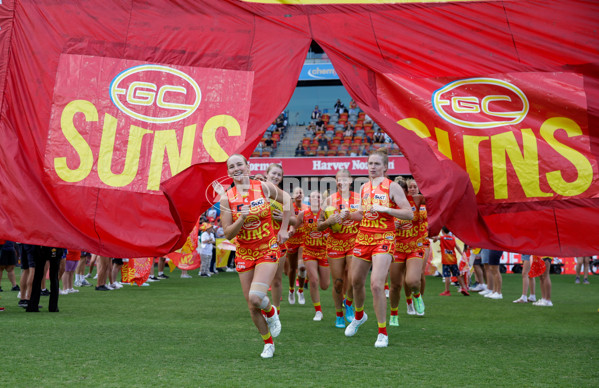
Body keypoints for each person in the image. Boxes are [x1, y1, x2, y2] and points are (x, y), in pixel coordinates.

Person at [220, 154, 291, 358]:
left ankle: (271, 312)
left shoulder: (263, 187)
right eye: (232, 166)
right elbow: (228, 233)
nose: (236, 168)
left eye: (239, 164)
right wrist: (241, 218)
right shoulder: (227, 198)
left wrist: (284, 228)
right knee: (252, 306)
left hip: (267, 247)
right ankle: (268, 343)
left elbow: (286, 199)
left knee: (256, 296)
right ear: (228, 172)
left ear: (248, 167)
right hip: (244, 252)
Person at [345, 148, 415, 348]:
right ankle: (359, 316)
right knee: (355, 281)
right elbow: (362, 214)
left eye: (377, 164)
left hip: (384, 237)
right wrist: (348, 214)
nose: (373, 167)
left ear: (385, 167)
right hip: (363, 237)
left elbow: (409, 214)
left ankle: (382, 332)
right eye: (370, 164)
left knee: (376, 284)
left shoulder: (392, 187)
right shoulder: (364, 187)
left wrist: (387, 209)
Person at [318, 169, 360, 328]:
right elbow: (319, 226)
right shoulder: (329, 200)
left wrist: (350, 215)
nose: (341, 182)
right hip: (335, 244)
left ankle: (348, 302)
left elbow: (365, 217)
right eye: (338, 179)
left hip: (354, 242)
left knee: (353, 276)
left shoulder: (359, 198)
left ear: (350, 180)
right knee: (337, 282)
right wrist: (329, 222)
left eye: (344, 179)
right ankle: (339, 315)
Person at [389, 177, 426, 325]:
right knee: (395, 285)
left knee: (412, 280)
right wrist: (393, 226)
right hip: (396, 247)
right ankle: (393, 314)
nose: (402, 191)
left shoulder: (415, 200)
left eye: (403, 188)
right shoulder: (389, 204)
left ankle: (416, 295)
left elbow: (434, 197)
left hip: (415, 246)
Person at [265, 163, 296, 315]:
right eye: (274, 173)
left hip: (278, 243)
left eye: (279, 175)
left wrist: (285, 219)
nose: (276, 177)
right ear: (267, 174)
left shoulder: (285, 197)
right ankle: (263, 308)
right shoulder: (257, 193)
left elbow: (296, 221)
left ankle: (275, 312)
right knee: (261, 281)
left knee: (276, 280)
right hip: (259, 243)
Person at [296, 191, 330, 322]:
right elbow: (294, 226)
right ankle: (318, 311)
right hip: (309, 251)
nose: (316, 198)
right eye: (313, 196)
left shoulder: (327, 214)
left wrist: (330, 234)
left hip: (324, 252)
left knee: (324, 285)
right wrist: (290, 231)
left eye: (318, 196)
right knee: (314, 281)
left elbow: (334, 229)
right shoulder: (303, 214)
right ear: (309, 199)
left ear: (322, 200)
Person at [286, 187, 310, 305]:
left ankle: (300, 291)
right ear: (293, 195)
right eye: (297, 193)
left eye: (301, 192)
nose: (299, 194)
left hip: (303, 241)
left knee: (301, 267)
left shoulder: (307, 208)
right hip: (291, 241)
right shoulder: (289, 208)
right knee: (292, 268)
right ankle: (291, 290)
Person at [27, 246, 64, 312]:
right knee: (53, 277)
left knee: (38, 276)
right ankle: (53, 306)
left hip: (42, 246)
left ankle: (33, 305)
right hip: (54, 246)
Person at [437, 227, 469, 297]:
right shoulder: (453, 239)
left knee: (447, 276)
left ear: (442, 231)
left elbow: (435, 238)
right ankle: (464, 288)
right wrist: (463, 255)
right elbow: (457, 248)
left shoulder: (442, 238)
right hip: (453, 260)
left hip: (446, 261)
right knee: (457, 275)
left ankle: (447, 291)